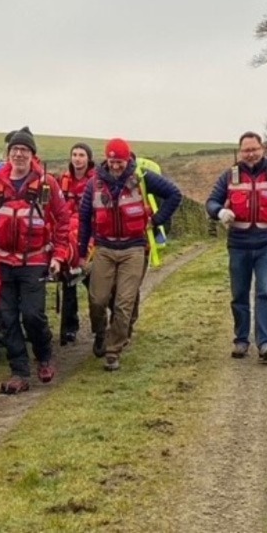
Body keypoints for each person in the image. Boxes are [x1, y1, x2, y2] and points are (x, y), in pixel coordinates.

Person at [0, 127, 71, 394]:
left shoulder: (47, 184)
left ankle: (44, 356)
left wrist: (59, 256)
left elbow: (63, 221)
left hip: (34, 260)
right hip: (0, 261)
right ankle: (19, 370)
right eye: (15, 150)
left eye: (24, 150)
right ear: (8, 154)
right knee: (6, 319)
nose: (19, 154)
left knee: (32, 315)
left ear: (32, 154)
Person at [78, 138, 182, 371]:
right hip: (103, 248)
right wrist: (81, 254)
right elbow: (84, 219)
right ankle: (101, 333)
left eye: (121, 162)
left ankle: (113, 351)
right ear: (106, 159)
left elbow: (174, 194)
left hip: (134, 248)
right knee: (97, 299)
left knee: (124, 303)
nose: (116, 166)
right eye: (113, 161)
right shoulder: (93, 184)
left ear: (128, 159)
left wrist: (155, 221)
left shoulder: (143, 178)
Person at [205, 131, 267, 362]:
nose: (250, 154)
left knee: (265, 291)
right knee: (239, 293)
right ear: (240, 152)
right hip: (238, 243)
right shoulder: (230, 176)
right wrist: (220, 211)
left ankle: (266, 343)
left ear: (262, 148)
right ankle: (241, 340)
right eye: (246, 150)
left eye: (254, 149)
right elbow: (211, 202)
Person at [57, 142, 96, 346]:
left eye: (81, 155)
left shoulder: (96, 181)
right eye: (74, 154)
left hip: (90, 232)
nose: (77, 158)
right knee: (68, 281)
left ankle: (101, 323)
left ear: (88, 159)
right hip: (68, 233)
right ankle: (69, 328)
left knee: (94, 285)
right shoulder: (63, 180)